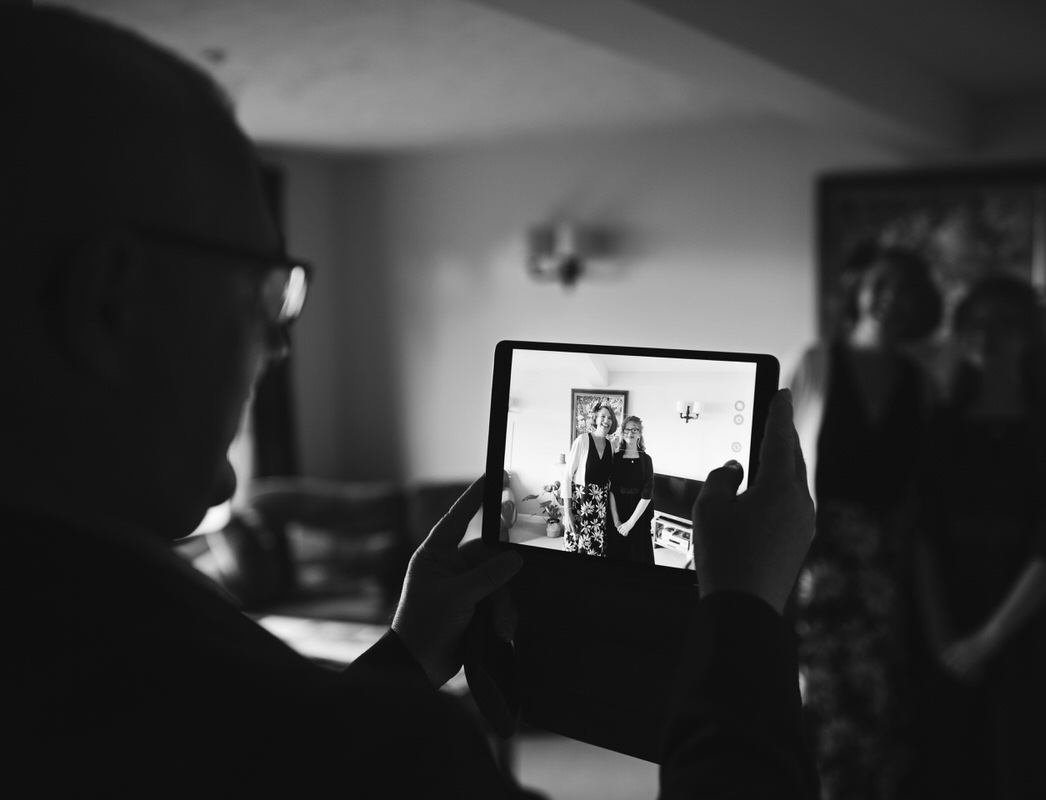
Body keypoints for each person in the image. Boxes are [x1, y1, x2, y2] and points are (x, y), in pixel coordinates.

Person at [7, 7, 820, 797]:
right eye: (265, 288)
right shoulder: (341, 743)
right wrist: (744, 614)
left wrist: (406, 654)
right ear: (111, 300)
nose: (281, 345)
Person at [907, 274, 1046, 800]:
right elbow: (923, 534)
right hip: (951, 608)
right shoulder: (939, 425)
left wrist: (988, 640)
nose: (986, 335)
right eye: (974, 323)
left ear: (1029, 336)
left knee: (1030, 762)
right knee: (951, 762)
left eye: (1003, 324)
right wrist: (941, 637)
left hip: (1032, 620)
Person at [785, 243, 943, 799]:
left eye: (905, 289)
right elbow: (778, 460)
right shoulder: (817, 363)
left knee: (878, 708)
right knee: (820, 709)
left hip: (884, 573)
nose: (892, 298)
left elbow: (922, 491)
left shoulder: (921, 384)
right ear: (856, 289)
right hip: (819, 568)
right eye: (881, 283)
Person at [562, 402, 616, 557]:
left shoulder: (612, 446)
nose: (606, 420)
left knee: (596, 551)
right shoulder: (583, 440)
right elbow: (567, 475)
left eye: (610, 417)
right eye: (603, 416)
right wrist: (567, 512)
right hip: (581, 505)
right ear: (595, 419)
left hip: (600, 509)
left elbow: (610, 480)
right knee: (576, 548)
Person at [607, 415, 656, 564]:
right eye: (627, 429)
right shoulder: (615, 458)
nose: (630, 433)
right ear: (622, 433)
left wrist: (630, 522)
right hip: (618, 511)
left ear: (640, 433)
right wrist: (616, 521)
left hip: (638, 515)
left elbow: (647, 493)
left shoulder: (646, 460)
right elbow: (612, 490)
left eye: (635, 429)